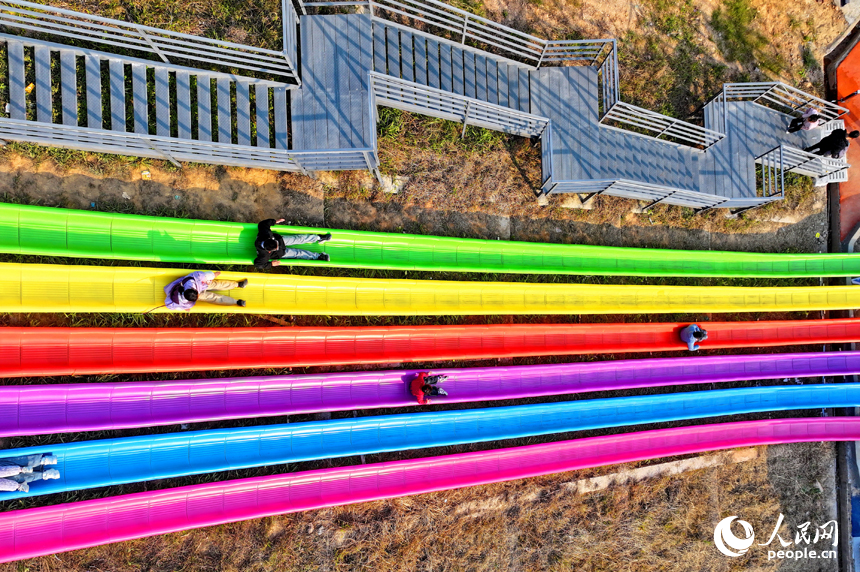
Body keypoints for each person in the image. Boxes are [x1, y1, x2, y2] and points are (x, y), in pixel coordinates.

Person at [254, 218, 332, 271]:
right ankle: (318, 256)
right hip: (280, 253)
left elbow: (262, 224)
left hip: (280, 240)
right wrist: (271, 264)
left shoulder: (265, 233)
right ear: (269, 251)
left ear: (270, 238)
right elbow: (258, 264)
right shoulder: (264, 256)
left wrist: (274, 221)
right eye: (276, 247)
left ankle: (319, 238)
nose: (278, 246)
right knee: (297, 253)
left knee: (298, 239)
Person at [164, 271, 248, 310]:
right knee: (213, 297)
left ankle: (238, 284)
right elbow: (170, 305)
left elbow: (202, 275)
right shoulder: (179, 301)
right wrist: (185, 308)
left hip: (201, 284)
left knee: (216, 284)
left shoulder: (191, 281)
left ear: (193, 289)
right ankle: (236, 302)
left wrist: (212, 275)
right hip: (195, 291)